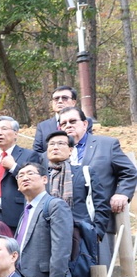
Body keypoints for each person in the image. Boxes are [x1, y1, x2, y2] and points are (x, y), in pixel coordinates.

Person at [45, 130, 111, 277]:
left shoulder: (84, 172)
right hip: (49, 245)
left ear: (71, 150)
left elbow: (101, 206)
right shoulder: (41, 177)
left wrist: (95, 235)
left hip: (80, 243)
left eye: (61, 143)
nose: (56, 147)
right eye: (51, 144)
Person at [58, 106, 137, 265]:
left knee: (101, 275)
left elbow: (129, 171)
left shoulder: (106, 145)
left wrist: (122, 193)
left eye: (73, 121)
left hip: (99, 223)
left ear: (85, 124)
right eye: (64, 123)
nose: (68, 125)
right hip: (63, 225)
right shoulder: (55, 150)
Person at [0, 116, 43, 233]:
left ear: (16, 133)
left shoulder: (29, 155)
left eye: (4, 129)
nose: (0, 133)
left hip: (17, 214)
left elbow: (34, 183)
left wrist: (14, 167)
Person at [32, 86, 86, 154]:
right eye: (56, 98)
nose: (60, 101)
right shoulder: (43, 126)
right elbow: (37, 153)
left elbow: (87, 146)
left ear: (73, 102)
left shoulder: (83, 121)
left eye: (64, 98)